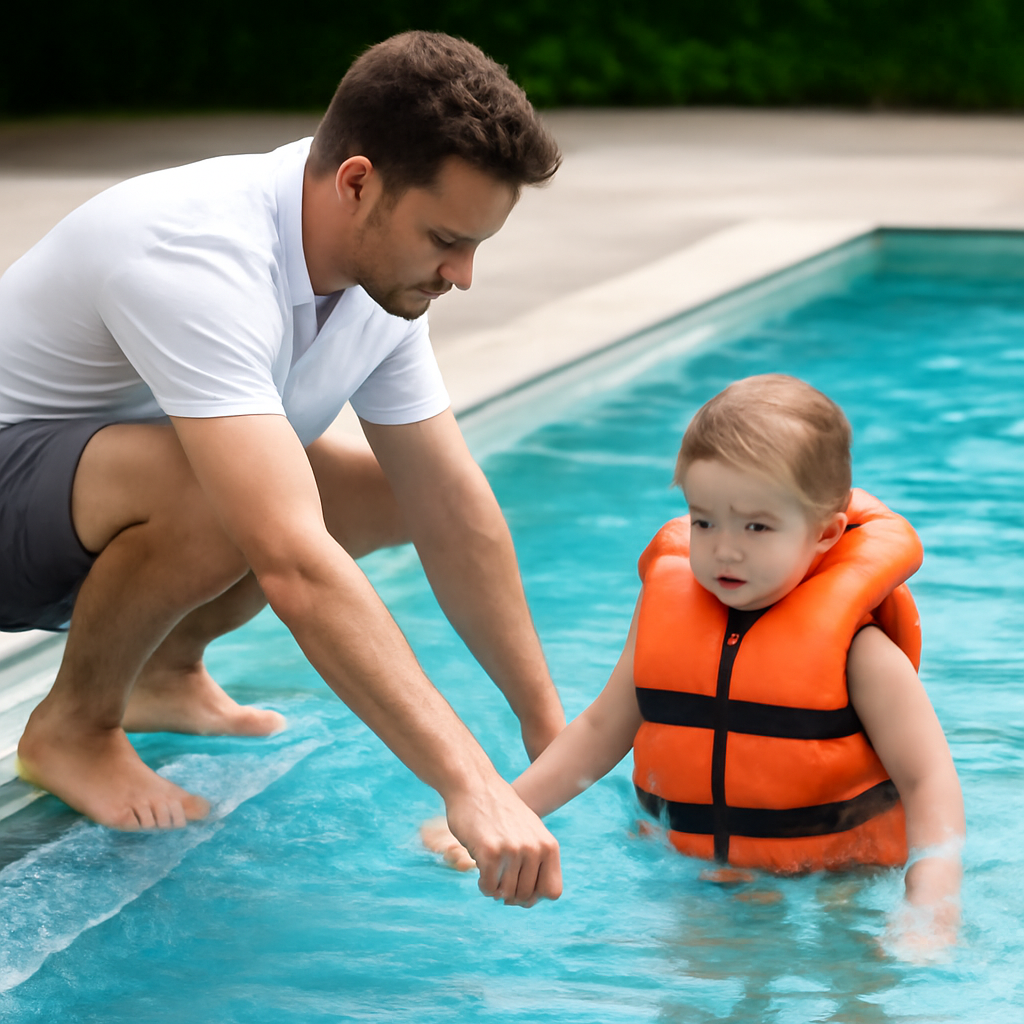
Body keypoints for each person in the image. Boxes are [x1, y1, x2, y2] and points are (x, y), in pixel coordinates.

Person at [0, 32, 566, 907]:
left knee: (382, 494)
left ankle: (163, 669)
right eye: (448, 240)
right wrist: (467, 783)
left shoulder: (379, 275)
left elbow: (452, 506)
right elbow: (293, 561)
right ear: (357, 181)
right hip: (13, 500)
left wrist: (545, 731)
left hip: (89, 499)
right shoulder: (200, 253)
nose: (463, 275)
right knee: (235, 495)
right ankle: (73, 725)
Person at [424, 374, 965, 943]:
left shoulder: (862, 653)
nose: (724, 548)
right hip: (698, 882)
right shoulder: (668, 618)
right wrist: (498, 814)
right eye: (704, 521)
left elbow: (928, 779)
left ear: (827, 533)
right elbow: (601, 730)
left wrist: (931, 904)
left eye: (757, 526)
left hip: (838, 886)